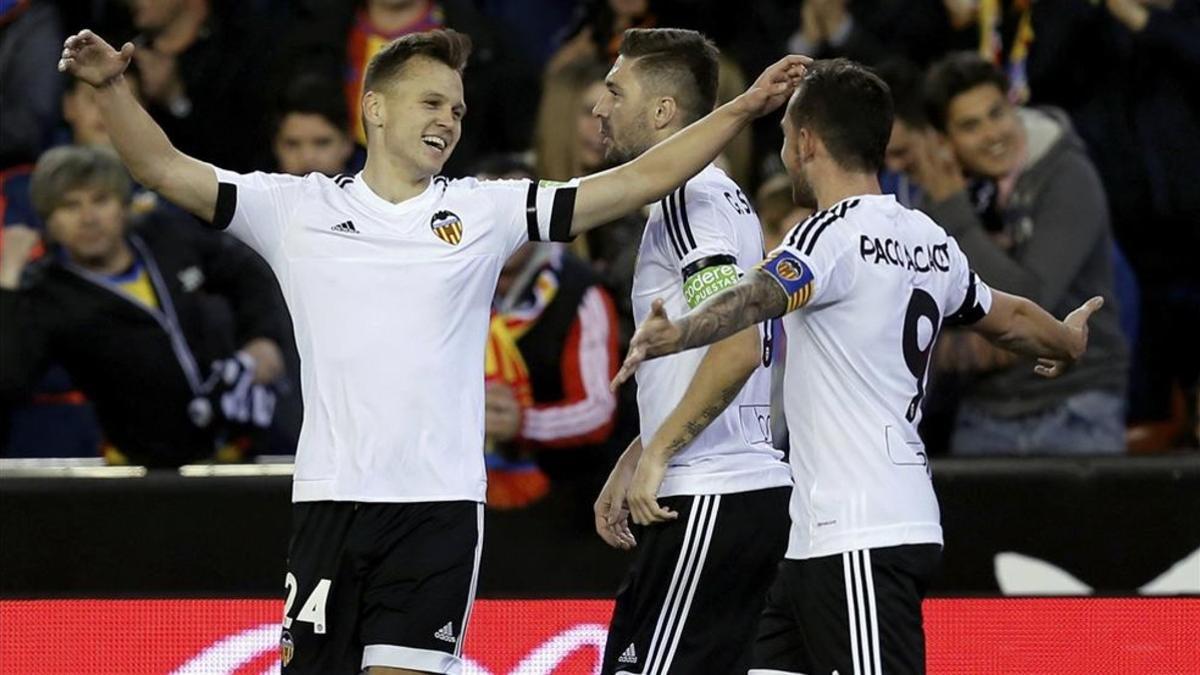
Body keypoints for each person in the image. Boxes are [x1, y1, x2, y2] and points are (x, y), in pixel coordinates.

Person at [58, 25, 807, 674]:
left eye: (456, 108)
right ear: (373, 108)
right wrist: (113, 90)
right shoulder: (294, 208)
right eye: (430, 102)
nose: (448, 119)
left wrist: (741, 109)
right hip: (330, 500)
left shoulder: (485, 208)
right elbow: (162, 168)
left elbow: (637, 176)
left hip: (438, 509)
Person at [613, 58, 1104, 675]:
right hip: (821, 536)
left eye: (788, 135)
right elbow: (1006, 317)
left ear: (808, 140)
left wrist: (679, 330)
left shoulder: (828, 236)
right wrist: (1065, 342)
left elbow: (760, 298)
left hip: (860, 533)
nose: (784, 152)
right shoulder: (927, 238)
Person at [588, 28, 792, 674]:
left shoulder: (689, 199)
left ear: (662, 113)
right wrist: (640, 449)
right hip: (734, 491)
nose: (598, 107)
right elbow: (706, 342)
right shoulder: (715, 195)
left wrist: (664, 450)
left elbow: (737, 344)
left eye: (615, 91)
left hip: (708, 494)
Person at [0, 146, 287, 466]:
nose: (88, 218)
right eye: (69, 206)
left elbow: (245, 271)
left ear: (124, 206)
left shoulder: (164, 235)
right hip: (142, 470)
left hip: (241, 446)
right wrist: (7, 280)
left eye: (100, 200)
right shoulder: (48, 295)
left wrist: (263, 339)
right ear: (48, 224)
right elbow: (10, 380)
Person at [916, 52, 1128, 455]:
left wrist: (953, 213)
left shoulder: (1066, 174)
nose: (993, 134)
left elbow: (1033, 300)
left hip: (1075, 407)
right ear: (945, 141)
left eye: (997, 113)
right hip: (982, 414)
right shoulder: (945, 199)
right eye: (970, 125)